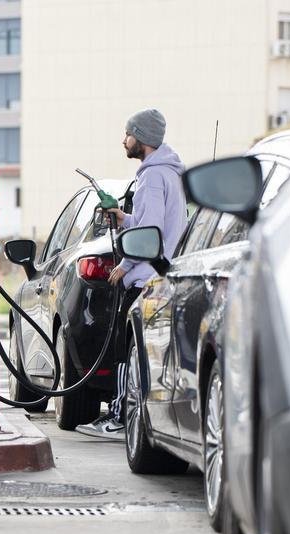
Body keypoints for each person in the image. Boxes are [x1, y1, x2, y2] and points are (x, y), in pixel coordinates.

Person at [78, 109, 187, 439]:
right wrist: (123, 217)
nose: (123, 140)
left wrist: (124, 266)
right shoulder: (167, 174)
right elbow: (145, 221)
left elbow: (150, 230)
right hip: (157, 274)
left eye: (127, 133)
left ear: (141, 138)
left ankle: (119, 417)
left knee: (124, 352)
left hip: (144, 278)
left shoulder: (153, 177)